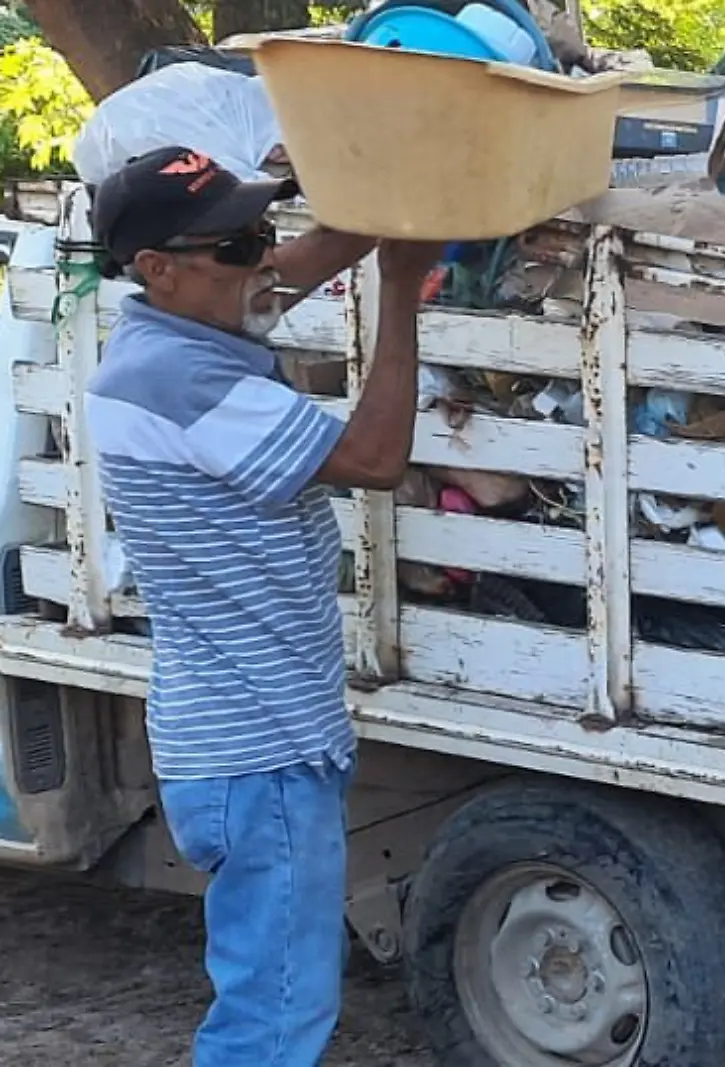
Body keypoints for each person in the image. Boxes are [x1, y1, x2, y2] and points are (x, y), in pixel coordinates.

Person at [84, 145, 442, 1067]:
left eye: (260, 230)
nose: (263, 257)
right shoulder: (180, 378)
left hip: (244, 742)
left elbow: (285, 271)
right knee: (271, 1023)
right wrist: (399, 287)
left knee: (269, 1003)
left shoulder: (175, 328)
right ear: (158, 269)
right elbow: (372, 461)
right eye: (238, 246)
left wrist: (397, 211)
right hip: (259, 754)